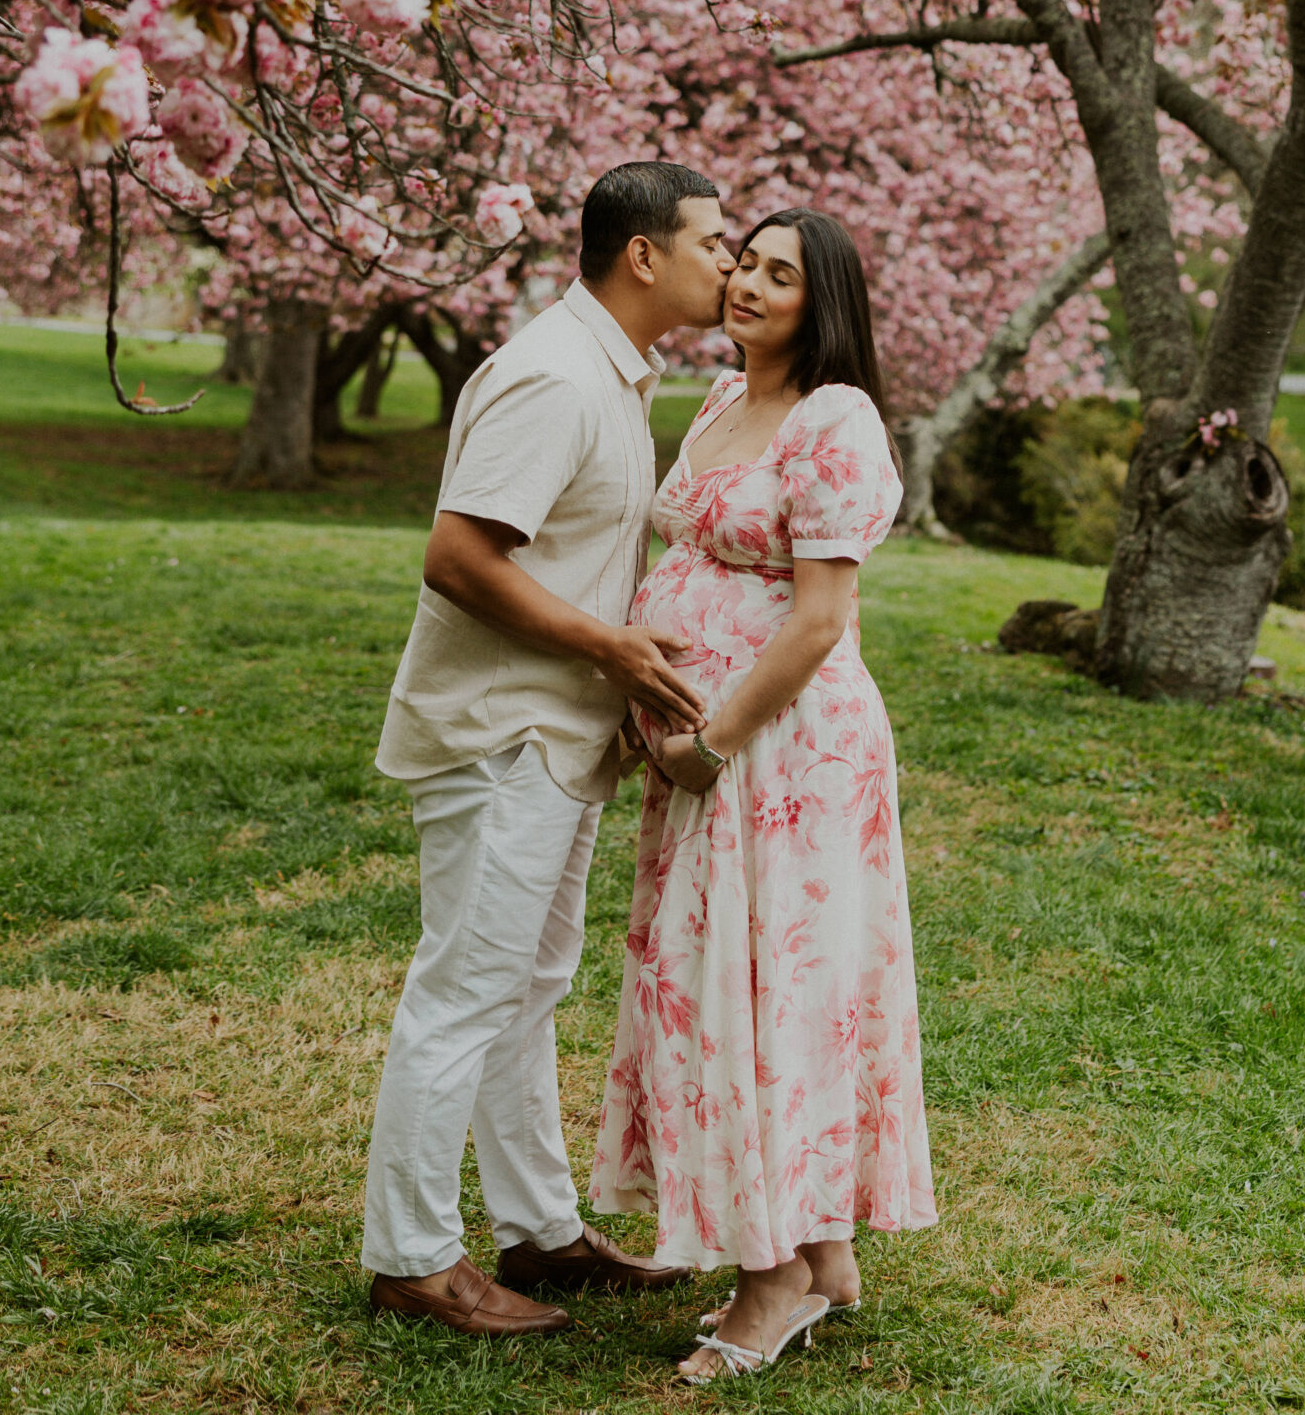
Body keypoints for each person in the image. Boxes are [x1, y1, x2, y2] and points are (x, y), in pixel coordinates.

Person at [362, 161, 737, 1339]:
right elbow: (460, 559)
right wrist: (617, 653)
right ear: (644, 255)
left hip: (558, 739)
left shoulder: (610, 375)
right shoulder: (553, 378)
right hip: (498, 739)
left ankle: (542, 1233)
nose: (727, 264)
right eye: (714, 243)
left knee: (525, 993)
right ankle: (414, 1258)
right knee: (465, 992)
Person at [589, 206, 937, 1383]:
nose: (747, 283)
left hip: (781, 757)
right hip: (712, 755)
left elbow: (822, 617)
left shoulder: (833, 419)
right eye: (744, 261)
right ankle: (825, 1249)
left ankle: (773, 1278)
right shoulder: (719, 403)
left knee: (774, 991)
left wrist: (713, 740)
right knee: (735, 983)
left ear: (821, 301)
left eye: (780, 274)